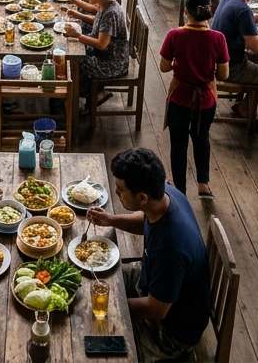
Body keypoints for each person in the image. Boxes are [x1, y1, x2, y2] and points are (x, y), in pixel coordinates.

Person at [87, 148, 209, 359]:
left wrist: (110, 304)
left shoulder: (171, 246)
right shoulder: (164, 194)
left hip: (170, 332)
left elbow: (155, 310)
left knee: (96, 342)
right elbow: (145, 220)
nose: (116, 192)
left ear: (142, 198)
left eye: (120, 190)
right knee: (92, 276)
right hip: (151, 280)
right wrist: (111, 220)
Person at [159, 0, 230, 198]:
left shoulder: (174, 35)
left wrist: (180, 63)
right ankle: (203, 184)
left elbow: (164, 67)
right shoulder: (218, 38)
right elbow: (224, 74)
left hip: (180, 97)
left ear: (186, 11)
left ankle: (180, 190)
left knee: (178, 143)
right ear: (209, 10)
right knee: (202, 138)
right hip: (206, 99)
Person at [68, 0, 129, 106]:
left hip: (112, 62)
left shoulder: (111, 12)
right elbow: (98, 22)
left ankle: (81, 95)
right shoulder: (105, 3)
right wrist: (78, 15)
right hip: (103, 54)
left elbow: (102, 44)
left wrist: (78, 36)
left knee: (74, 61)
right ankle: (85, 91)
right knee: (73, 51)